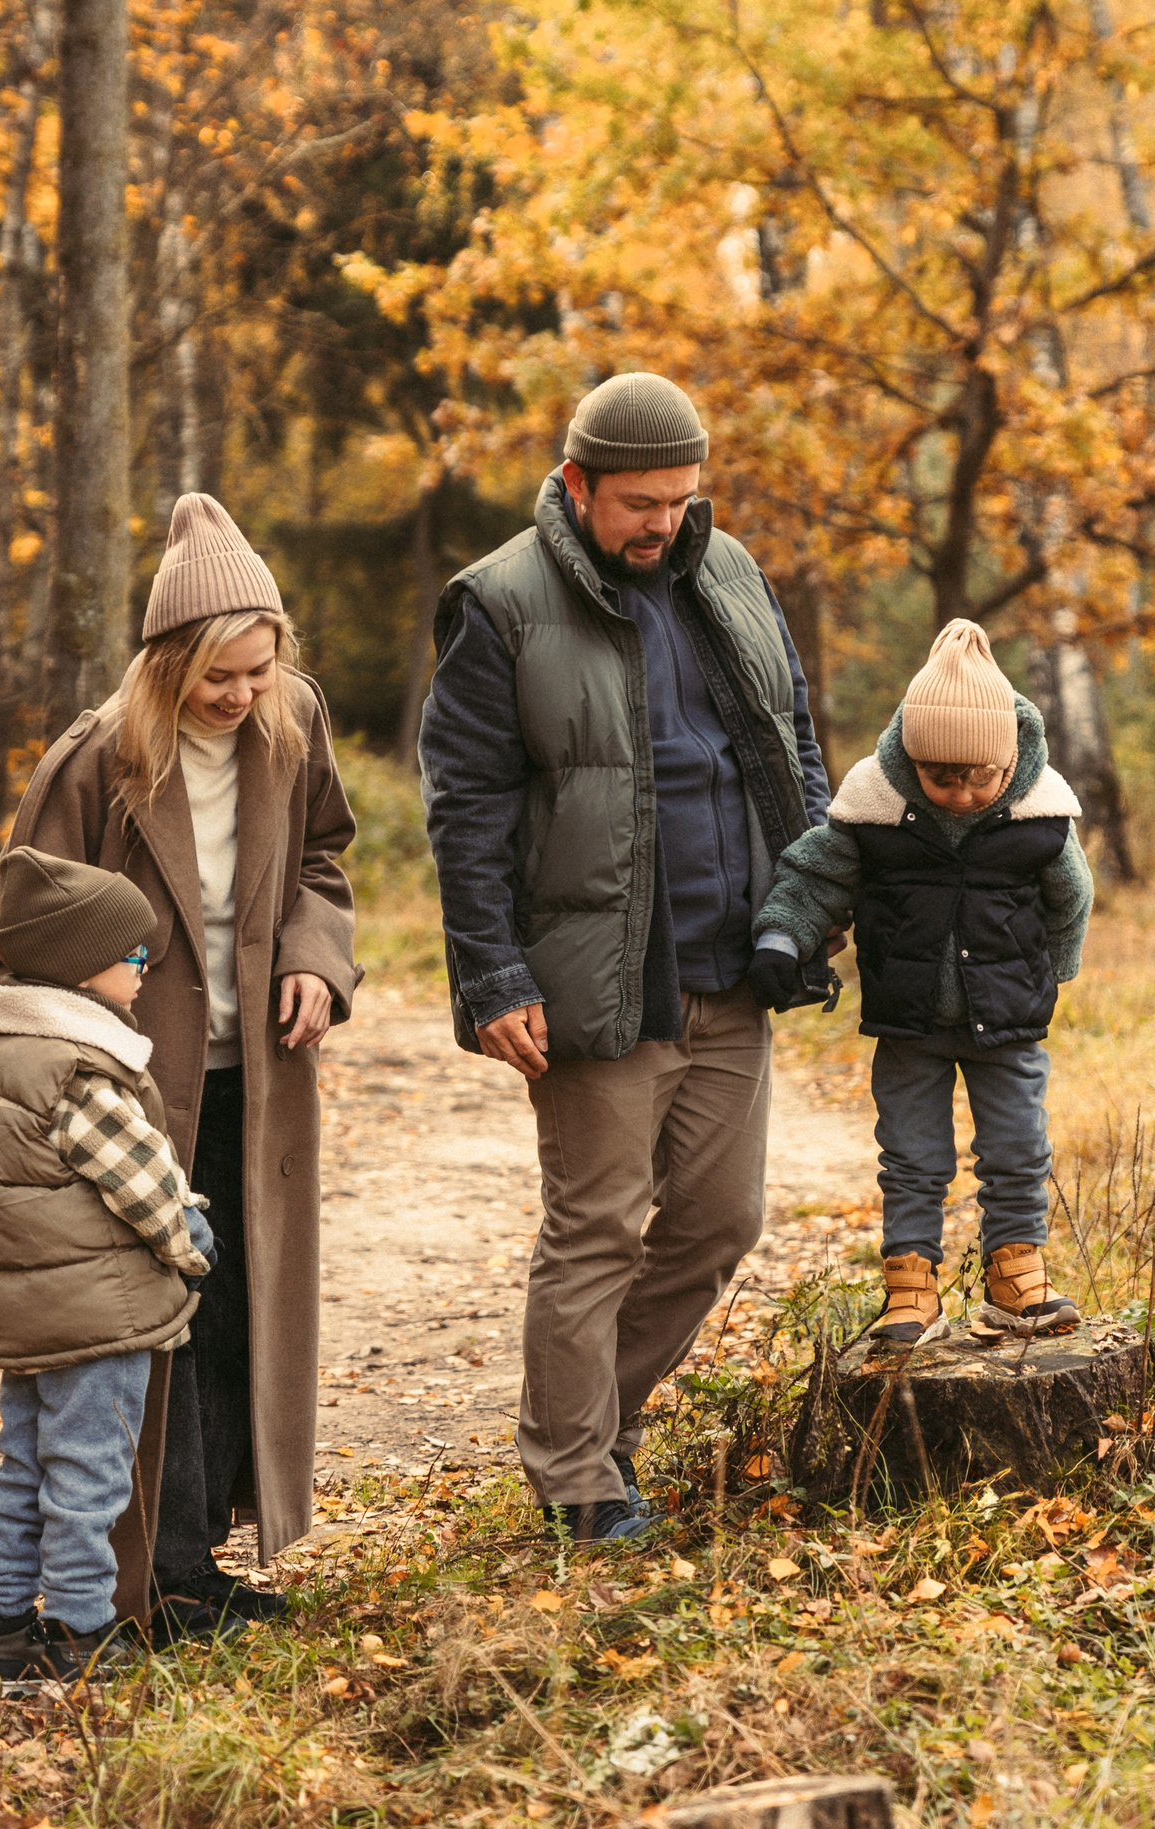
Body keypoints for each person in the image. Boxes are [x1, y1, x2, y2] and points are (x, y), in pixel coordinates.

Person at [0, 493, 361, 1644]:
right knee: (137, 1328)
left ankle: (191, 1563)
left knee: (228, 1313)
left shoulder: (294, 721)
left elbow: (324, 858)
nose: (241, 696)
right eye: (219, 676)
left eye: (259, 671)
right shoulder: (96, 758)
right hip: (114, 1091)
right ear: (168, 665)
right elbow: (12, 922)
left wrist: (319, 959)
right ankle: (136, 1583)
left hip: (256, 1073)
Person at [418, 372, 832, 1546]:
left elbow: (791, 732)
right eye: (639, 503)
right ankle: (575, 1478)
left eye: (682, 499)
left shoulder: (730, 571)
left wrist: (808, 892)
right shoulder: (498, 602)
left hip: (733, 963)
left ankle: (601, 1421)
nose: (663, 523)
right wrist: (493, 974)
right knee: (595, 1226)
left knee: (718, 1221)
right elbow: (466, 806)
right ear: (576, 484)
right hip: (597, 974)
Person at [746, 619, 1094, 1340]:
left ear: (1009, 762)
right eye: (943, 778)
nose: (963, 795)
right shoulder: (875, 813)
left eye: (980, 779)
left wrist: (1051, 974)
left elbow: (1073, 899)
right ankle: (911, 1288)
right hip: (909, 1026)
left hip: (1009, 1023)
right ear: (910, 757)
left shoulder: (1041, 817)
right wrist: (782, 937)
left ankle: (1016, 1278)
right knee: (911, 1155)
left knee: (1018, 1147)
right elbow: (813, 877)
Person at [0, 848, 218, 1685]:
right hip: (99, 1317)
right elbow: (145, 1186)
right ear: (81, 969)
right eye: (132, 955)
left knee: (23, 1465)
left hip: (30, 1313)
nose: (144, 970)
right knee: (90, 1474)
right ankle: (81, 1633)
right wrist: (191, 1245)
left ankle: (1, 1628)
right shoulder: (84, 1071)